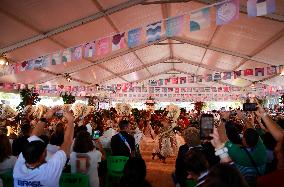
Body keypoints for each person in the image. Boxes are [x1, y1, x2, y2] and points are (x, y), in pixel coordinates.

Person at [13, 109, 74, 187]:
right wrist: (71, 121)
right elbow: (67, 141)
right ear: (44, 154)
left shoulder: (19, 167)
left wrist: (45, 117)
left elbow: (34, 135)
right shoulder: (49, 171)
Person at [255, 101, 284, 187]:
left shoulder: (267, 181)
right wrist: (263, 114)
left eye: (279, 144)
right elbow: (281, 135)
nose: (276, 149)